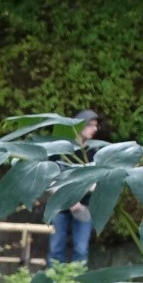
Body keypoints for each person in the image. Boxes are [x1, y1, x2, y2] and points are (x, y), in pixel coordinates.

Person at [48, 110, 100, 266]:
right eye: (90, 125)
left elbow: (97, 182)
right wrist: (69, 200)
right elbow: (50, 179)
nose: (95, 129)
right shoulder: (60, 150)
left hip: (84, 207)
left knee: (81, 250)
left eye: (96, 125)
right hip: (59, 206)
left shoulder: (95, 152)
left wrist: (78, 199)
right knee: (55, 248)